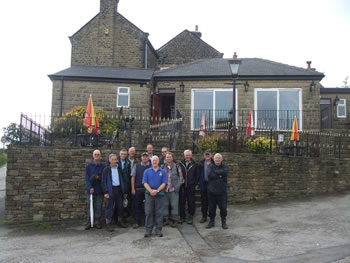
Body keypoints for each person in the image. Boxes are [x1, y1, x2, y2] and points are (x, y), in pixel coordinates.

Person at [102, 153, 129, 232]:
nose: (114, 161)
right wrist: (105, 192)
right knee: (109, 207)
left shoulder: (119, 169)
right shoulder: (106, 169)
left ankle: (120, 221)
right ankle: (108, 223)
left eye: (115, 160)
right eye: (112, 160)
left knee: (120, 206)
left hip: (119, 189)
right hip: (111, 190)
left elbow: (123, 180)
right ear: (110, 160)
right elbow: (103, 182)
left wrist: (124, 191)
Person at [142, 156, 168, 237]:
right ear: (151, 161)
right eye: (153, 160)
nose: (155, 162)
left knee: (159, 212)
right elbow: (145, 182)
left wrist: (157, 191)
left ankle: (158, 230)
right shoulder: (146, 171)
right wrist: (150, 191)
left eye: (156, 160)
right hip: (149, 195)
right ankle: (148, 230)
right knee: (148, 212)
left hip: (159, 195)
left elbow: (164, 183)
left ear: (158, 161)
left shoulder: (163, 172)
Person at [206, 153, 228, 229]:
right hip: (211, 192)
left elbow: (225, 173)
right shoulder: (210, 166)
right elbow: (210, 175)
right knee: (211, 208)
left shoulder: (225, 166)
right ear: (214, 159)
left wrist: (215, 172)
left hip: (222, 192)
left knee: (223, 208)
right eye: (216, 158)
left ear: (221, 159)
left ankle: (223, 222)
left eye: (219, 158)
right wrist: (220, 175)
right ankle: (211, 221)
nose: (217, 159)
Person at [84, 149, 105, 230]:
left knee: (98, 206)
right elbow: (87, 178)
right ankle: (89, 222)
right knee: (90, 206)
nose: (96, 156)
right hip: (91, 190)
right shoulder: (89, 166)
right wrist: (90, 187)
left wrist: (97, 177)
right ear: (93, 156)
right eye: (95, 154)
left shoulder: (103, 166)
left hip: (99, 189)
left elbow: (103, 177)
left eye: (98, 154)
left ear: (100, 156)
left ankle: (97, 222)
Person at [162, 152, 183, 227]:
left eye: (170, 157)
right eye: (167, 157)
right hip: (165, 190)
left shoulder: (177, 166)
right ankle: (166, 219)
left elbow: (181, 179)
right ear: (165, 158)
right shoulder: (162, 167)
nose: (168, 158)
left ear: (172, 158)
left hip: (174, 190)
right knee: (164, 205)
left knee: (174, 205)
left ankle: (174, 220)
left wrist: (176, 188)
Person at [178, 149, 199, 224]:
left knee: (191, 202)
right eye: (186, 155)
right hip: (182, 186)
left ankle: (190, 216)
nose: (188, 156)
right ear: (184, 156)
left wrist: (194, 183)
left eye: (189, 155)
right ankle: (182, 217)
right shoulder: (180, 164)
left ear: (191, 156)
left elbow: (197, 175)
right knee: (181, 202)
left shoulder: (195, 164)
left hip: (191, 186)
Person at [131, 152, 150, 229]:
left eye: (146, 157)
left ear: (148, 158)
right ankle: (136, 222)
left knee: (148, 207)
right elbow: (133, 177)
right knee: (137, 206)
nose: (144, 158)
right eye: (143, 157)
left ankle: (148, 222)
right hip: (138, 189)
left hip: (148, 189)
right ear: (141, 158)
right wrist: (132, 188)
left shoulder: (151, 166)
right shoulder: (136, 166)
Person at [198, 150, 214, 223]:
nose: (207, 156)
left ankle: (211, 216)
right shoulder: (201, 163)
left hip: (212, 184)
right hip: (203, 184)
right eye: (206, 155)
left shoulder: (214, 163)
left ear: (210, 155)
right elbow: (198, 174)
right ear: (204, 155)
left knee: (211, 201)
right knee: (204, 202)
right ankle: (204, 216)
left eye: (208, 154)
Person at [117, 149, 131, 220]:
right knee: (115, 204)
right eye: (122, 154)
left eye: (124, 154)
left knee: (123, 204)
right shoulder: (115, 161)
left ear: (126, 155)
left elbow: (128, 177)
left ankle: (122, 219)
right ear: (119, 154)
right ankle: (114, 219)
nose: (123, 155)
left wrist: (126, 190)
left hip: (125, 185)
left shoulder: (128, 163)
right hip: (116, 185)